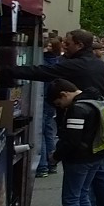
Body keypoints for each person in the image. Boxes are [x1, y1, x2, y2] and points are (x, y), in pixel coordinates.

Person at [6, 29, 104, 206]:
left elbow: (41, 72)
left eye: (67, 43)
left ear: (79, 45)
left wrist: (9, 70)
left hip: (79, 134)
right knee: (97, 179)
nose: (63, 46)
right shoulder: (99, 65)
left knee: (75, 194)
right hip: (101, 129)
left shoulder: (73, 68)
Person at [47, 79, 104, 206]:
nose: (61, 107)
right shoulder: (97, 99)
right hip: (97, 154)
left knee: (71, 199)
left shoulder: (77, 109)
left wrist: (56, 156)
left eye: (59, 103)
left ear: (64, 94)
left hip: (79, 159)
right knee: (83, 195)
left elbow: (72, 140)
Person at [35, 36, 63, 178]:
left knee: (41, 132)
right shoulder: (58, 62)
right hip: (52, 100)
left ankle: (42, 166)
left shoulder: (43, 61)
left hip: (42, 99)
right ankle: (52, 163)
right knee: (48, 131)